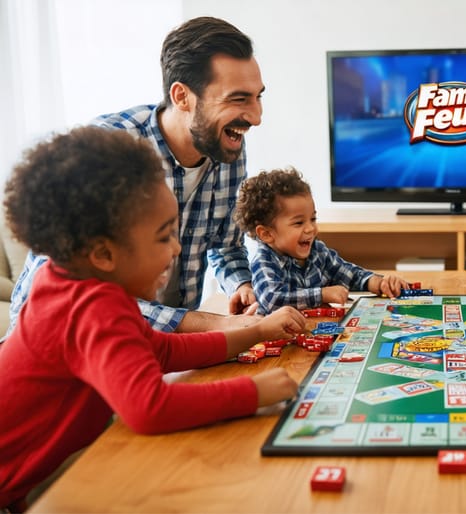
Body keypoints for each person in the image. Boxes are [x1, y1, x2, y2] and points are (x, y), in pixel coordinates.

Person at [0, 127, 307, 511]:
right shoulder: (91, 307)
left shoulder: (71, 283)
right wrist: (255, 393)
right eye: (164, 237)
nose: (177, 248)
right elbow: (149, 407)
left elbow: (158, 350)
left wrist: (257, 332)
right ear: (103, 254)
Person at [4, 16, 265, 338]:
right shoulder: (105, 149)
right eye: (238, 99)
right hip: (63, 343)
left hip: (157, 342)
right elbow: (80, 293)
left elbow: (226, 246)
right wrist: (215, 324)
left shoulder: (226, 144)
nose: (256, 117)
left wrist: (243, 284)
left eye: (258, 97)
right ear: (182, 96)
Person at [233, 167, 409, 313]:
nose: (310, 228)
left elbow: (349, 273)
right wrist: (322, 294)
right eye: (299, 222)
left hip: (313, 330)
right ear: (266, 234)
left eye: (313, 219)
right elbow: (272, 300)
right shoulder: (264, 261)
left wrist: (378, 282)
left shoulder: (317, 250)